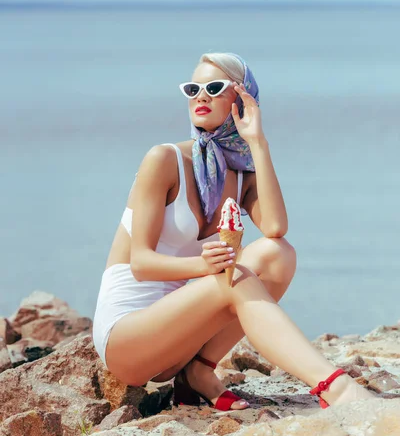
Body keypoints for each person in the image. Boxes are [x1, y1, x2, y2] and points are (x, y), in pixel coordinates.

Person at [92, 52, 373, 411]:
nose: (200, 96)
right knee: (231, 277)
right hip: (129, 342)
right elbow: (142, 265)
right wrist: (208, 268)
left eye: (214, 87)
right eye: (193, 88)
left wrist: (258, 143)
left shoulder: (241, 176)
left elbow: (275, 227)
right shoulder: (163, 160)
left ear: (241, 99)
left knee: (278, 254)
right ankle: (336, 389)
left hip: (180, 341)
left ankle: (197, 371)